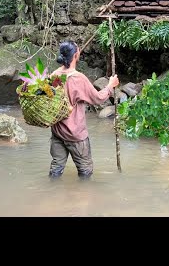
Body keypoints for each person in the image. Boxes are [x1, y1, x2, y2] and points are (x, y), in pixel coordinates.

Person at [48, 40, 119, 179]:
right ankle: (84, 196)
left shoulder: (53, 76)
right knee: (85, 171)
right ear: (76, 55)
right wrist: (111, 85)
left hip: (57, 132)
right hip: (75, 135)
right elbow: (98, 98)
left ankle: (52, 196)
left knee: (56, 169)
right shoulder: (78, 78)